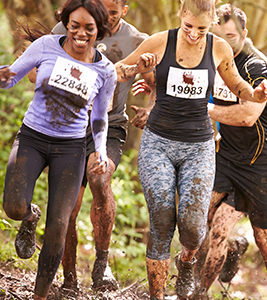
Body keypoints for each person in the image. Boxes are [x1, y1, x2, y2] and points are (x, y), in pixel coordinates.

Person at [114, 0, 267, 298]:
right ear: (181, 17)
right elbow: (119, 71)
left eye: (202, 28)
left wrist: (255, 93)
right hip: (158, 141)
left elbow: (238, 85)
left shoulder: (218, 48)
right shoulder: (160, 41)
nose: (194, 34)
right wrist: (140, 67)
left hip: (198, 146)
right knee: (161, 217)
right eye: (188, 27)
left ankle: (186, 261)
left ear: (211, 23)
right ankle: (157, 295)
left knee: (192, 227)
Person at [0, 0, 116, 298]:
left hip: (71, 148)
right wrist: (3, 77)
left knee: (59, 226)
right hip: (33, 137)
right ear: (66, 23)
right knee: (12, 206)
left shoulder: (105, 70)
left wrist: (100, 150)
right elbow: (11, 77)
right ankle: (28, 216)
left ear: (99, 29)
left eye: (88, 28)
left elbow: (100, 115)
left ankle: (40, 295)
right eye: (74, 26)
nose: (80, 33)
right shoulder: (46, 46)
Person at [196, 4, 267, 299]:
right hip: (228, 159)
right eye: (218, 36)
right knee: (204, 222)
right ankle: (201, 290)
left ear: (244, 34)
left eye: (231, 35)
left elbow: (251, 117)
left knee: (264, 237)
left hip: (262, 165)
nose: (224, 42)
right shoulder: (209, 61)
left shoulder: (257, 68)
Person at [46, 0, 155, 292]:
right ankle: (69, 278)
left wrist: (150, 107)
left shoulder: (137, 40)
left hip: (110, 124)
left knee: (99, 176)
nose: (105, 17)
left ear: (125, 8)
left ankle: (101, 264)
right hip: (69, 125)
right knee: (69, 206)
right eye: (100, 9)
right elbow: (41, 66)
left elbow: (156, 79)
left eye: (113, 11)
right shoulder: (70, 27)